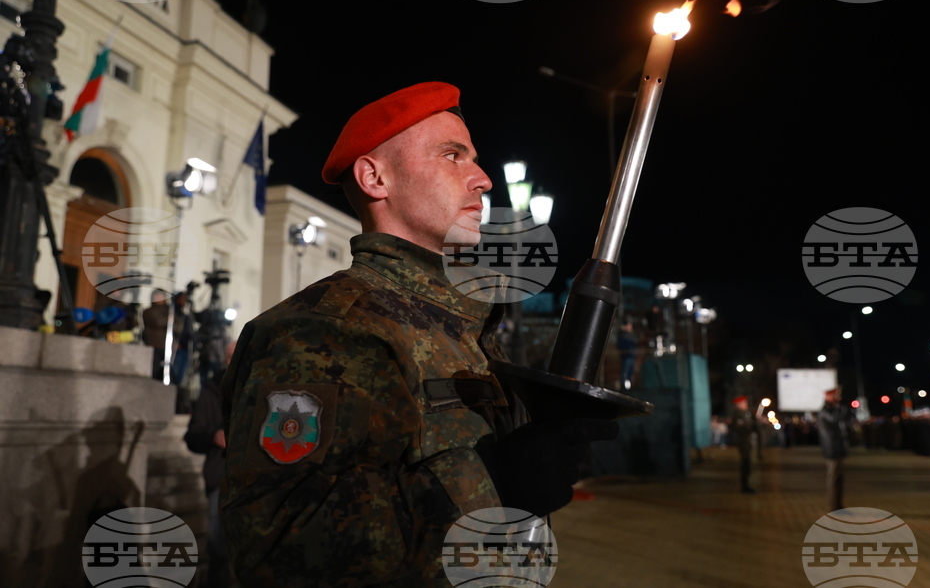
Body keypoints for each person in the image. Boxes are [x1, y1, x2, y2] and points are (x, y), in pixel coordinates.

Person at [220, 82, 618, 586]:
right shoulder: (323, 330)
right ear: (374, 177)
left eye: (474, 157)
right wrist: (494, 482)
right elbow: (280, 550)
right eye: (453, 156)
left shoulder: (461, 324)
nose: (483, 179)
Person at [184, 341, 237, 587]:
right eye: (229, 357)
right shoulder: (212, 390)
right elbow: (193, 436)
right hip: (221, 476)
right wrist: (213, 436)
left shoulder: (261, 388)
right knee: (217, 543)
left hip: (253, 477)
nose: (233, 361)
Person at [818, 386, 851, 511]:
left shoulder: (831, 409)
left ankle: (838, 505)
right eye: (836, 395)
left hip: (836, 448)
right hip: (832, 449)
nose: (839, 398)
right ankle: (834, 506)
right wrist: (839, 407)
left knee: (839, 479)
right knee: (834, 479)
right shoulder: (827, 410)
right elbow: (836, 418)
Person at [729, 395, 758, 493]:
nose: (746, 404)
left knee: (747, 463)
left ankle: (746, 484)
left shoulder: (745, 414)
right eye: (744, 403)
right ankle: (745, 485)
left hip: (747, 441)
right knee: (745, 463)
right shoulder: (738, 415)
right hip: (743, 441)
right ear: (739, 404)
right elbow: (740, 428)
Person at [617, 321, 638, 390]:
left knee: (631, 372)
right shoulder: (623, 335)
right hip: (626, 356)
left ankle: (629, 386)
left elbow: (635, 344)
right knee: (625, 372)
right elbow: (620, 345)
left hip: (632, 356)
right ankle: (624, 387)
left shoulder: (631, 335)